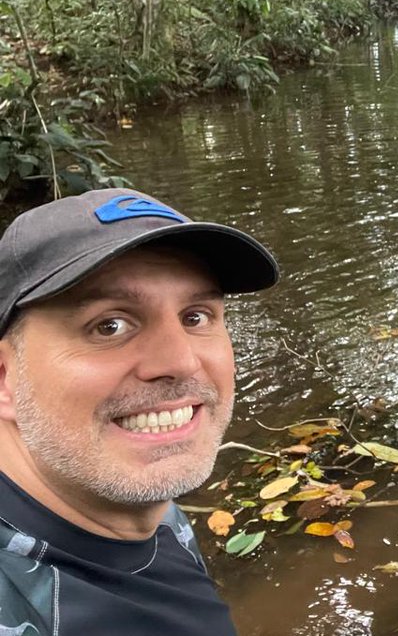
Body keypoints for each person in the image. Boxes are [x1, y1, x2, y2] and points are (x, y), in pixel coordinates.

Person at [0, 188, 279, 635]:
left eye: (195, 317)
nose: (181, 361)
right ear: (4, 378)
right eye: (109, 325)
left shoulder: (122, 490)